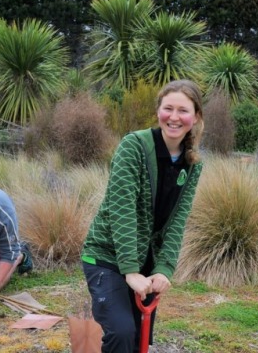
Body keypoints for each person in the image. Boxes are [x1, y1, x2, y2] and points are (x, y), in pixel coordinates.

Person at [81, 79, 204, 353]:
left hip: (144, 263)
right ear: (158, 110)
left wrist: (163, 268)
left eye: (183, 110)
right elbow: (121, 208)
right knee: (122, 333)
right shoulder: (134, 147)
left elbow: (177, 221)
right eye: (167, 108)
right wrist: (130, 270)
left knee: (138, 339)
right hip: (107, 257)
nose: (174, 117)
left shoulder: (193, 163)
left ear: (196, 117)